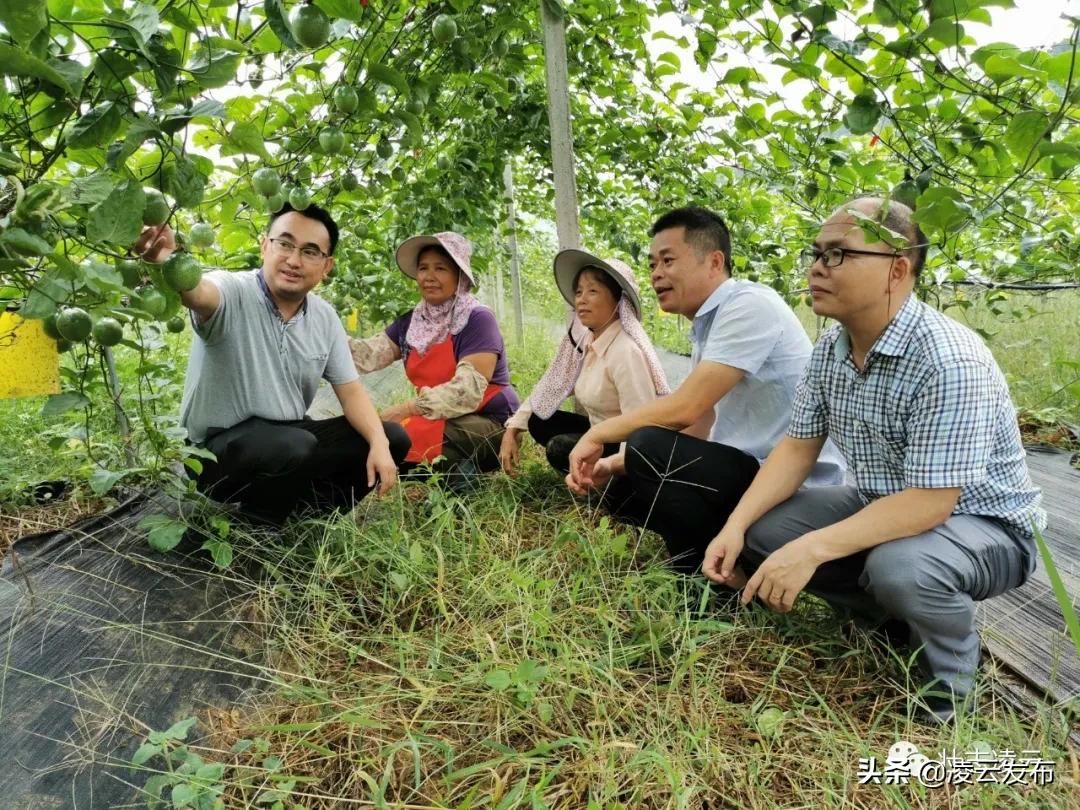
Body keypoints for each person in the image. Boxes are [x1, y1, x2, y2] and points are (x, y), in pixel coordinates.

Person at [702, 197, 1045, 723]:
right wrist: (735, 526)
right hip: (885, 502)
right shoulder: (831, 349)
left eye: (838, 254)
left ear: (898, 269)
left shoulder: (948, 359)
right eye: (815, 253)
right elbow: (797, 447)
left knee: (901, 567)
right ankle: (892, 623)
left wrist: (813, 549)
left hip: (985, 524)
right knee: (768, 531)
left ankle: (949, 692)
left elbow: (930, 504)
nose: (817, 267)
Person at [567, 207, 844, 573]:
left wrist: (600, 434)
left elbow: (685, 409)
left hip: (787, 476)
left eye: (668, 260)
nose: (657, 274)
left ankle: (708, 573)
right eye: (652, 265)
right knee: (622, 491)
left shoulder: (748, 305)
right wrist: (612, 463)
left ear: (715, 262)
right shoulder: (707, 325)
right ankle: (711, 554)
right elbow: (699, 423)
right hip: (748, 466)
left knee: (646, 445)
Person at [135, 203, 408, 526]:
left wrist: (378, 443)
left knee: (392, 437)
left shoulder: (324, 317)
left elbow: (350, 392)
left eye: (309, 251)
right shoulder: (232, 290)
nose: (294, 260)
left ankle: (306, 519)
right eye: (285, 244)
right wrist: (167, 260)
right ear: (265, 246)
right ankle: (260, 529)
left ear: (326, 265)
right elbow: (199, 293)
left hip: (289, 437)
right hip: (214, 453)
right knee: (294, 444)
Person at [348, 232, 519, 485]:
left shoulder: (476, 319)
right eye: (423, 268)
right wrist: (321, 337)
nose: (429, 277)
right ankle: (443, 475)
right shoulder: (411, 323)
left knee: (408, 434)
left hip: (490, 421)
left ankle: (463, 477)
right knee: (389, 437)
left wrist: (406, 410)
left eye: (440, 268)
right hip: (438, 415)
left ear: (459, 275)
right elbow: (369, 355)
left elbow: (467, 390)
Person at [500, 251, 670, 476]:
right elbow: (550, 386)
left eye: (592, 291)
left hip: (621, 443)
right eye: (578, 292)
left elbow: (641, 426)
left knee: (560, 447)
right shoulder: (585, 343)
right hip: (598, 433)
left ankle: (606, 480)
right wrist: (513, 429)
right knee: (538, 420)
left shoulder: (625, 351)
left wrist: (622, 468)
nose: (581, 299)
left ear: (618, 301)